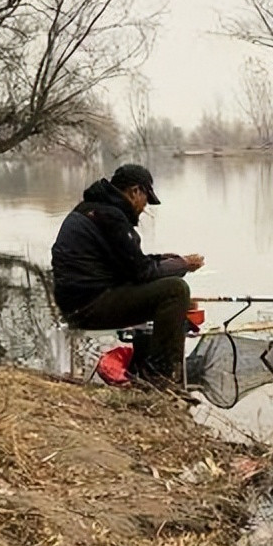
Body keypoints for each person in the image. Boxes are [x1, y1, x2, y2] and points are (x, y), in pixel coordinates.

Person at [51, 163, 205, 384]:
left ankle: (144, 368)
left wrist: (164, 259)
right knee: (175, 291)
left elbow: (130, 266)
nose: (144, 208)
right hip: (89, 307)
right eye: (146, 199)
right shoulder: (111, 217)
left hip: (79, 303)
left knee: (168, 295)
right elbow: (142, 272)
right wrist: (182, 265)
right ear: (135, 192)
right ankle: (160, 377)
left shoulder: (93, 209)